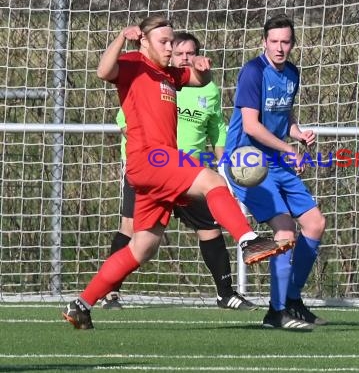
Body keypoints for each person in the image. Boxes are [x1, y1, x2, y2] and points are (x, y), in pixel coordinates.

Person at [63, 16, 292, 329]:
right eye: (164, 42)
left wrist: (201, 68)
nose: (170, 48)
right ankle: (248, 240)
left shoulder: (168, 73)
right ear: (143, 41)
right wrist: (119, 37)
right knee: (213, 181)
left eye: (172, 42)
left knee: (142, 247)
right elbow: (103, 71)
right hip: (151, 159)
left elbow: (201, 81)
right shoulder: (132, 63)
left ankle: (81, 304)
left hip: (156, 169)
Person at [101, 32, 257, 311]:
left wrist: (225, 169)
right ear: (170, 54)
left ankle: (226, 294)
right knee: (134, 232)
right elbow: (126, 120)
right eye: (180, 53)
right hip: (152, 169)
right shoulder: (153, 79)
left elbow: (216, 130)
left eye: (191, 53)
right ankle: (109, 293)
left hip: (190, 174)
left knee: (209, 227)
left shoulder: (206, 88)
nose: (186, 57)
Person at [224, 14, 326, 330]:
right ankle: (275, 312)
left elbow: (283, 117)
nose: (280, 48)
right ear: (264, 42)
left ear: (293, 44)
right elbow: (252, 126)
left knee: (315, 223)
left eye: (286, 42)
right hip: (247, 162)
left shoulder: (292, 73)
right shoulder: (254, 72)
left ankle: (292, 300)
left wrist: (297, 134)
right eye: (274, 42)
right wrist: (287, 150)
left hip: (275, 158)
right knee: (285, 229)